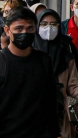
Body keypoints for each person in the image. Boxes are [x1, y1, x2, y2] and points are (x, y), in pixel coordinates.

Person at [0, 7, 61, 138]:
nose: (25, 33)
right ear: (7, 30)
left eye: (30, 28)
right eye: (19, 29)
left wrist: (55, 133)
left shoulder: (44, 61)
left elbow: (50, 100)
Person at [34, 9, 78, 138]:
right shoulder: (29, 49)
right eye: (44, 24)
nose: (49, 28)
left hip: (59, 113)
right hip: (32, 114)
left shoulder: (66, 49)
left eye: (54, 24)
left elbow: (73, 85)